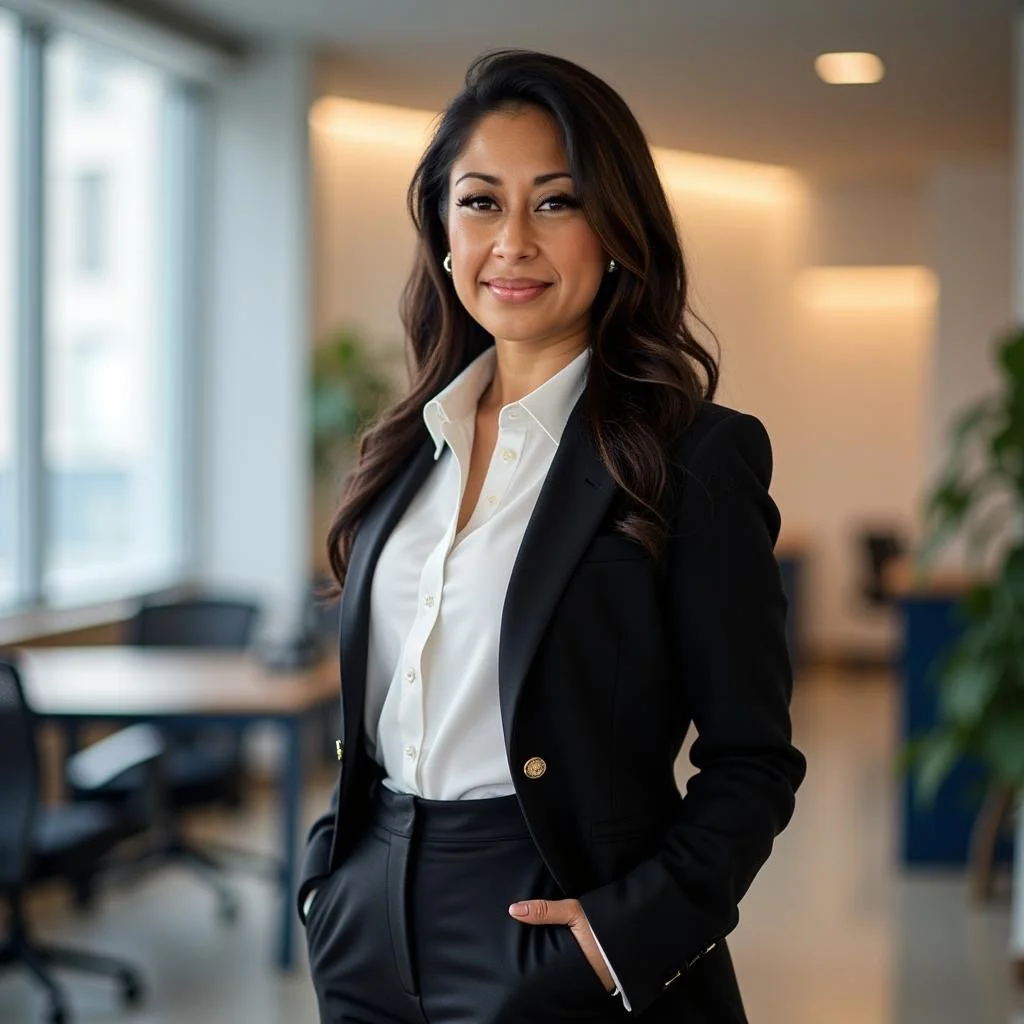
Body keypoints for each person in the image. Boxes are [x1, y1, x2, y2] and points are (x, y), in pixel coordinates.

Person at [299, 48, 806, 1024]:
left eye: (557, 202)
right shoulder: (407, 447)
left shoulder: (692, 454)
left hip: (557, 929)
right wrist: (328, 884)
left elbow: (753, 758)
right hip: (366, 921)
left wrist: (625, 938)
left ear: (617, 230)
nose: (512, 241)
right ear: (443, 231)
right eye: (481, 202)